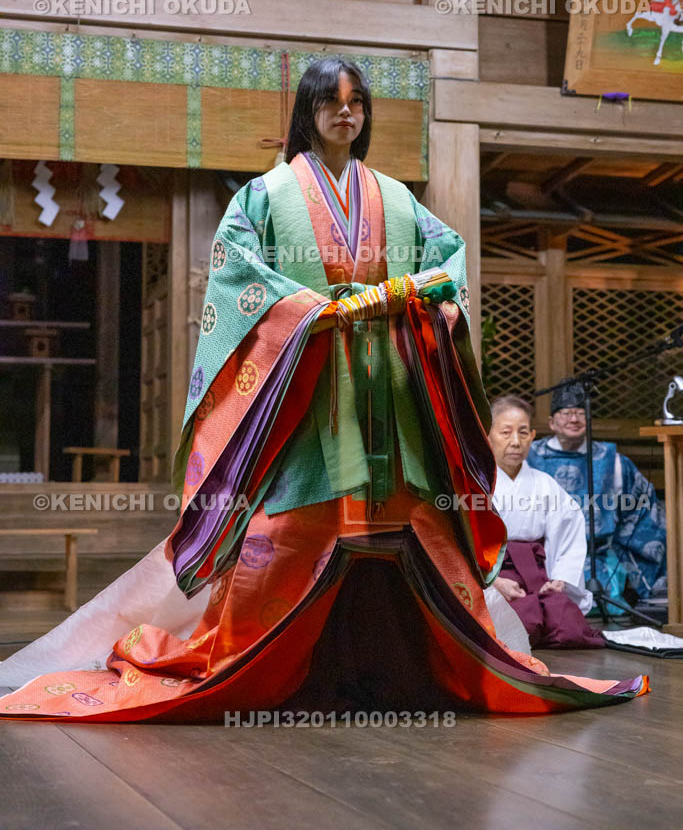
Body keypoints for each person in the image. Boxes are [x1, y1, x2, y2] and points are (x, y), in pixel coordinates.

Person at [0, 57, 647, 721]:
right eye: (330, 101)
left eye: (356, 101)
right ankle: (255, 666)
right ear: (306, 112)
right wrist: (312, 311)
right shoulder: (265, 196)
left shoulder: (397, 198)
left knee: (422, 534)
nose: (345, 112)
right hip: (306, 396)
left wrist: (415, 297)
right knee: (282, 535)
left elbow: (447, 264)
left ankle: (413, 666)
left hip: (390, 395)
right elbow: (236, 276)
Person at [528, 382, 667, 606]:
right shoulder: (530, 457)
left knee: (599, 599)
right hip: (540, 557)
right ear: (552, 422)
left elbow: (642, 508)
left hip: (596, 558)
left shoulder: (612, 461)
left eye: (580, 413)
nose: (574, 419)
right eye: (566, 413)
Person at [488, 395, 604, 649]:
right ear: (488, 436)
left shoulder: (544, 483)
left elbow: (569, 529)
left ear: (532, 436)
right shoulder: (476, 485)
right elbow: (462, 542)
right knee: (523, 627)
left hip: (539, 575)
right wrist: (493, 582)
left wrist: (560, 577)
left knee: (570, 628)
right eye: (506, 432)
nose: (515, 442)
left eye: (523, 432)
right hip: (497, 573)